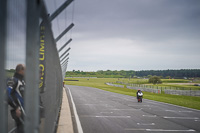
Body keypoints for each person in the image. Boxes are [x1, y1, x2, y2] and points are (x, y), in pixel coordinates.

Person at [8, 64, 26, 133]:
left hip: (25, 112)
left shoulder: (22, 81)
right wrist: (16, 108)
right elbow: (7, 94)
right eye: (25, 70)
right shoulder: (13, 80)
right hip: (19, 112)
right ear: (21, 70)